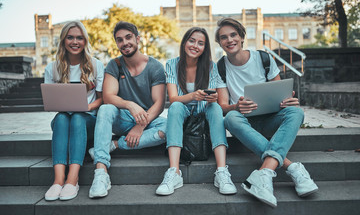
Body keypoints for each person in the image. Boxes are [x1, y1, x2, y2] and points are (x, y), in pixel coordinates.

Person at [215, 18, 318, 208]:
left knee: (296, 112)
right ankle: (292, 167)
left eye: (233, 35)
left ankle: (264, 173)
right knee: (230, 118)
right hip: (244, 123)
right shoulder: (219, 67)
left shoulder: (263, 58)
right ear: (219, 42)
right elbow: (222, 107)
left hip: (270, 119)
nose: (229, 40)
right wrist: (236, 107)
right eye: (223, 37)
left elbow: (279, 93)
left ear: (241, 36)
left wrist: (288, 101)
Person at [88, 21, 167, 198]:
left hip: (147, 119)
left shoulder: (155, 67)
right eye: (120, 40)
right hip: (122, 118)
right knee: (106, 109)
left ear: (138, 39)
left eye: (128, 37)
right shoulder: (114, 65)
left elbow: (159, 104)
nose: (125, 43)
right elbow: (108, 96)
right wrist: (130, 104)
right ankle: (101, 171)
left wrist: (139, 127)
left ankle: (114, 145)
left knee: (169, 128)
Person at [156, 27, 237, 196]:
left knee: (215, 107)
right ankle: (174, 172)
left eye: (200, 43)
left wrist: (211, 98)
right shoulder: (172, 64)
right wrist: (192, 95)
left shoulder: (210, 66)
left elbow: (213, 97)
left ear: (205, 48)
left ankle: (222, 171)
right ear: (184, 42)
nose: (195, 46)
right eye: (192, 40)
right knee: (176, 107)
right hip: (182, 112)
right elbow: (173, 98)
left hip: (204, 112)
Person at [44, 21, 104, 201]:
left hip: (87, 121)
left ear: (85, 41)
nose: (75, 42)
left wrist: (87, 107)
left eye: (79, 38)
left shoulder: (95, 65)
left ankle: (73, 178)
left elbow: (103, 99)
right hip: (64, 120)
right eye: (70, 37)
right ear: (63, 41)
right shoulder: (52, 68)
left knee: (77, 116)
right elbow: (50, 100)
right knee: (62, 118)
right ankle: (58, 180)